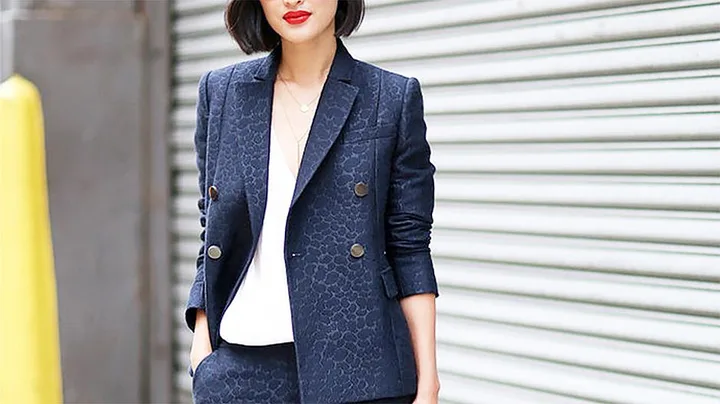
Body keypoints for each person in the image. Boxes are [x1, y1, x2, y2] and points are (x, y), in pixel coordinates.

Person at [185, 0, 440, 403]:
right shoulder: (222, 94)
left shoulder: (390, 98)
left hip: (360, 375)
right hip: (240, 376)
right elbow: (213, 231)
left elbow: (410, 248)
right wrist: (203, 351)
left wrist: (428, 383)